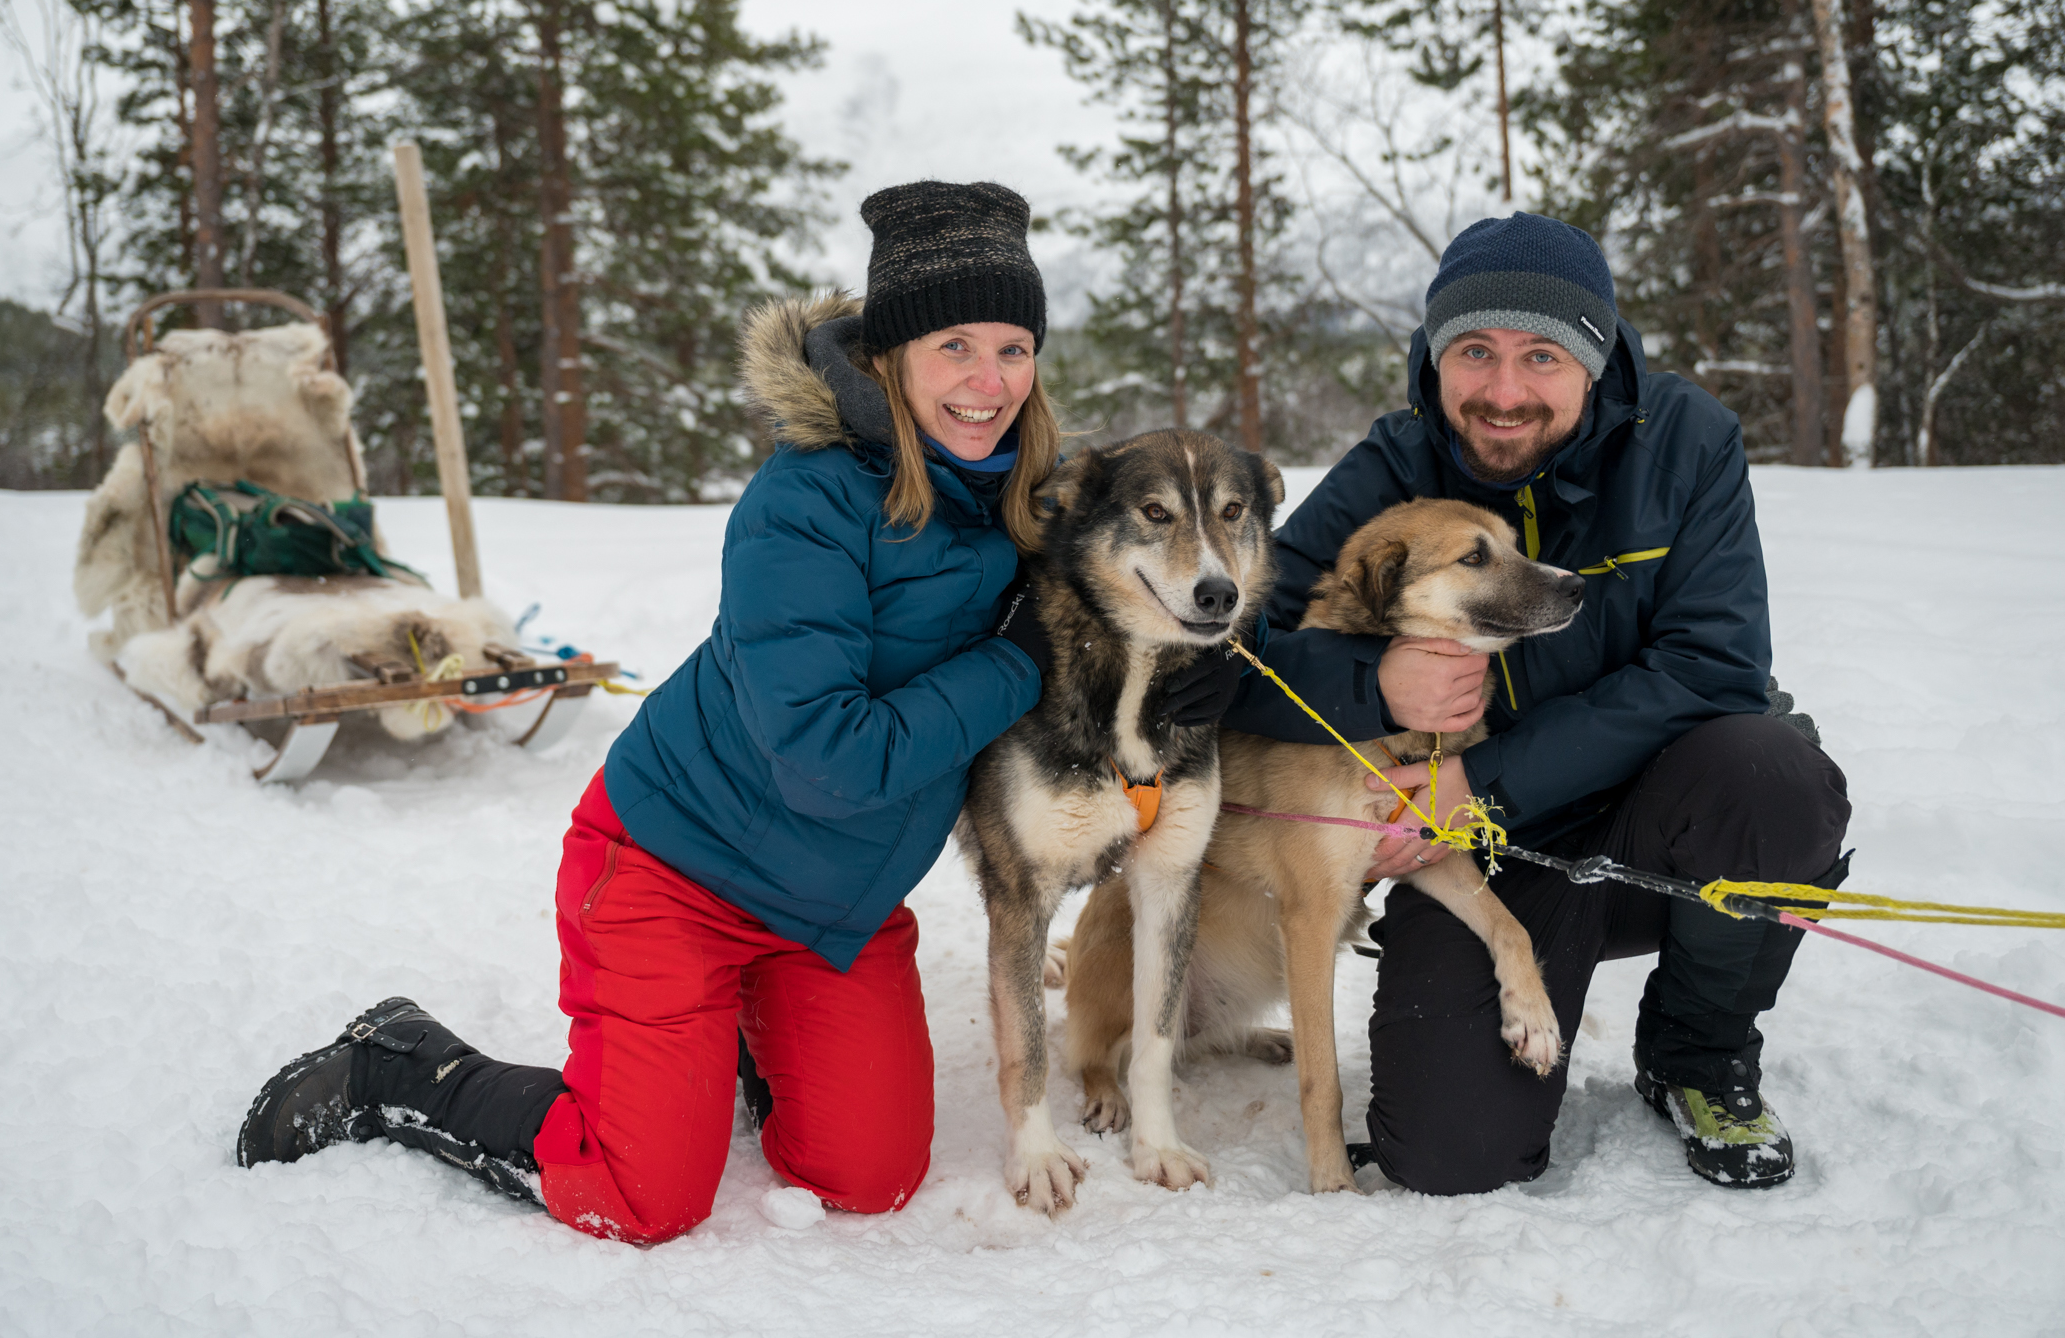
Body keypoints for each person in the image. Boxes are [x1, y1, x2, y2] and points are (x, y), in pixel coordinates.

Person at [235, 182, 1245, 1242]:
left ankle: (743, 1040)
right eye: (953, 345)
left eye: (1011, 347)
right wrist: (1015, 661)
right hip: (676, 870)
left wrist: (1205, 666)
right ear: (888, 353)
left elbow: (1175, 564)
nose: (986, 381)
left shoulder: (1031, 495)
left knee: (868, 1176)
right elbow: (829, 759)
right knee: (639, 1196)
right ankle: (401, 1063)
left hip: (831, 911)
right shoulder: (802, 503)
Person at [1222, 212, 1851, 1193]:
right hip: (1487, 855)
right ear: (1434, 360)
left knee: (1767, 774)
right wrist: (1370, 683)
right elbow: (1227, 657)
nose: (1503, 391)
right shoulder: (1390, 472)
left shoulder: (1684, 443)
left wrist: (1482, 779)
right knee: (1442, 1155)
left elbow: (1714, 665)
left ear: (1592, 363)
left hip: (1651, 815)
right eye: (1472, 352)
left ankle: (1694, 1056)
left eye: (1541, 356)